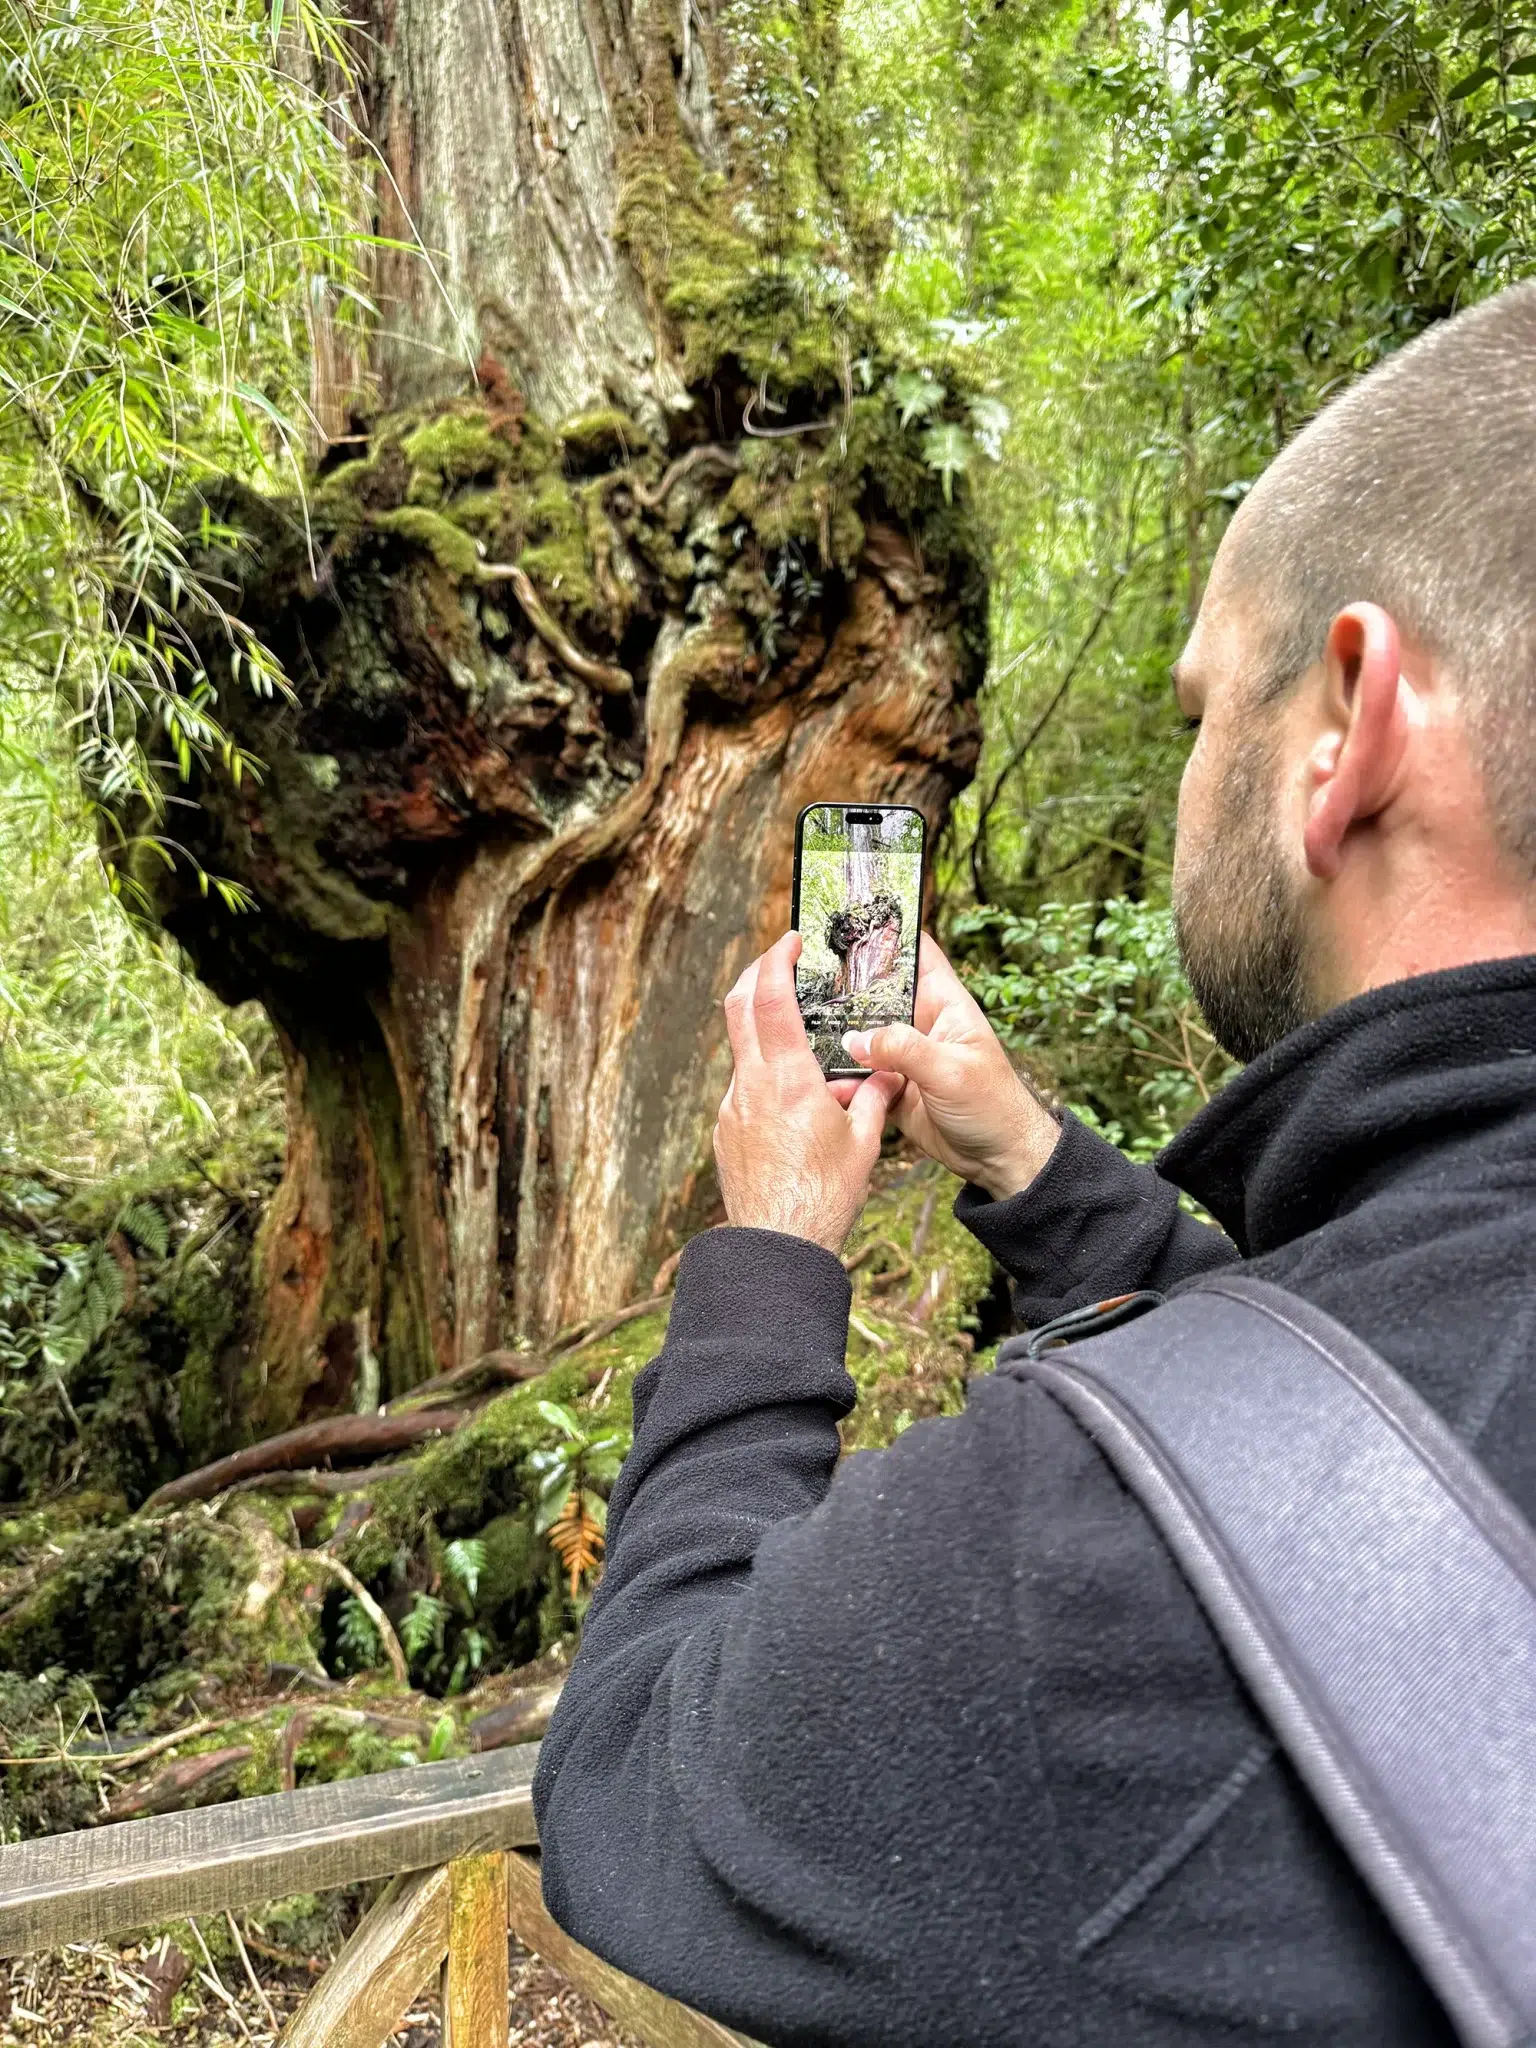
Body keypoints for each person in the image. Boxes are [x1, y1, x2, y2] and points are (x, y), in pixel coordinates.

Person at [531, 285, 1536, 2044]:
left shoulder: (1069, 1581)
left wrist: (770, 1259)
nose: (1187, 774)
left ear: (1347, 722)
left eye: (1201, 711)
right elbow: (1375, 1430)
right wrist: (1034, 1161)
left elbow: (634, 1786)